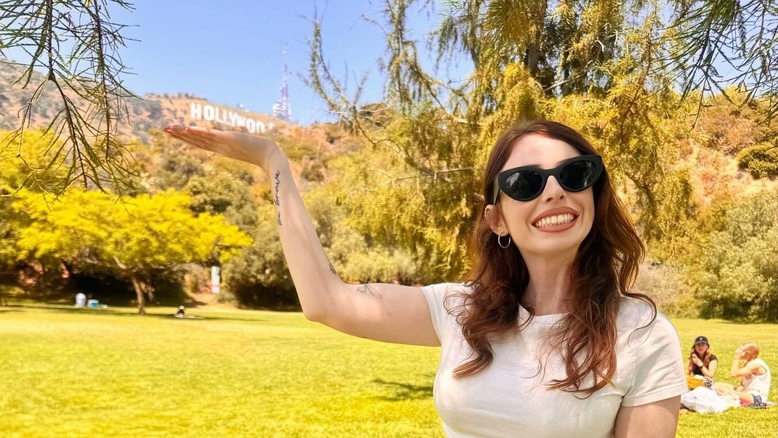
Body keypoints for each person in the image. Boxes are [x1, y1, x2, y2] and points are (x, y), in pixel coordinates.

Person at [164, 120, 687, 437]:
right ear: (497, 219)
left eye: (574, 175)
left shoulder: (641, 333)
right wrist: (271, 160)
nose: (553, 192)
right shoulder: (460, 310)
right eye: (525, 182)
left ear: (594, 195)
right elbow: (326, 300)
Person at [723, 342, 771, 407]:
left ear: (748, 353)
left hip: (756, 398)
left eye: (741, 350)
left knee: (724, 391)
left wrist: (736, 357)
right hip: (747, 394)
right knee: (719, 386)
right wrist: (737, 391)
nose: (738, 351)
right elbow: (743, 385)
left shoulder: (756, 365)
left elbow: (734, 374)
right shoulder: (748, 364)